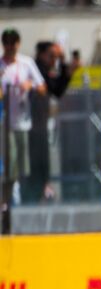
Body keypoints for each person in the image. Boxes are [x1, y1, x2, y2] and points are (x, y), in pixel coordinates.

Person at [0, 29, 46, 225]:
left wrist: (30, 86)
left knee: (21, 165)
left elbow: (42, 87)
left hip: (24, 122)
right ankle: (7, 200)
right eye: (7, 43)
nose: (11, 47)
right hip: (5, 122)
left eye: (13, 42)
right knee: (9, 164)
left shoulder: (26, 63)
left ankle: (14, 195)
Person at [23, 41, 79, 203]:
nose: (54, 60)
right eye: (51, 56)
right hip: (30, 126)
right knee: (33, 165)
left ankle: (41, 191)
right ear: (41, 55)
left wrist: (64, 66)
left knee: (42, 162)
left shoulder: (44, 72)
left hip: (39, 125)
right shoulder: (35, 69)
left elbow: (57, 90)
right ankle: (32, 195)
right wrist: (63, 66)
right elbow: (52, 86)